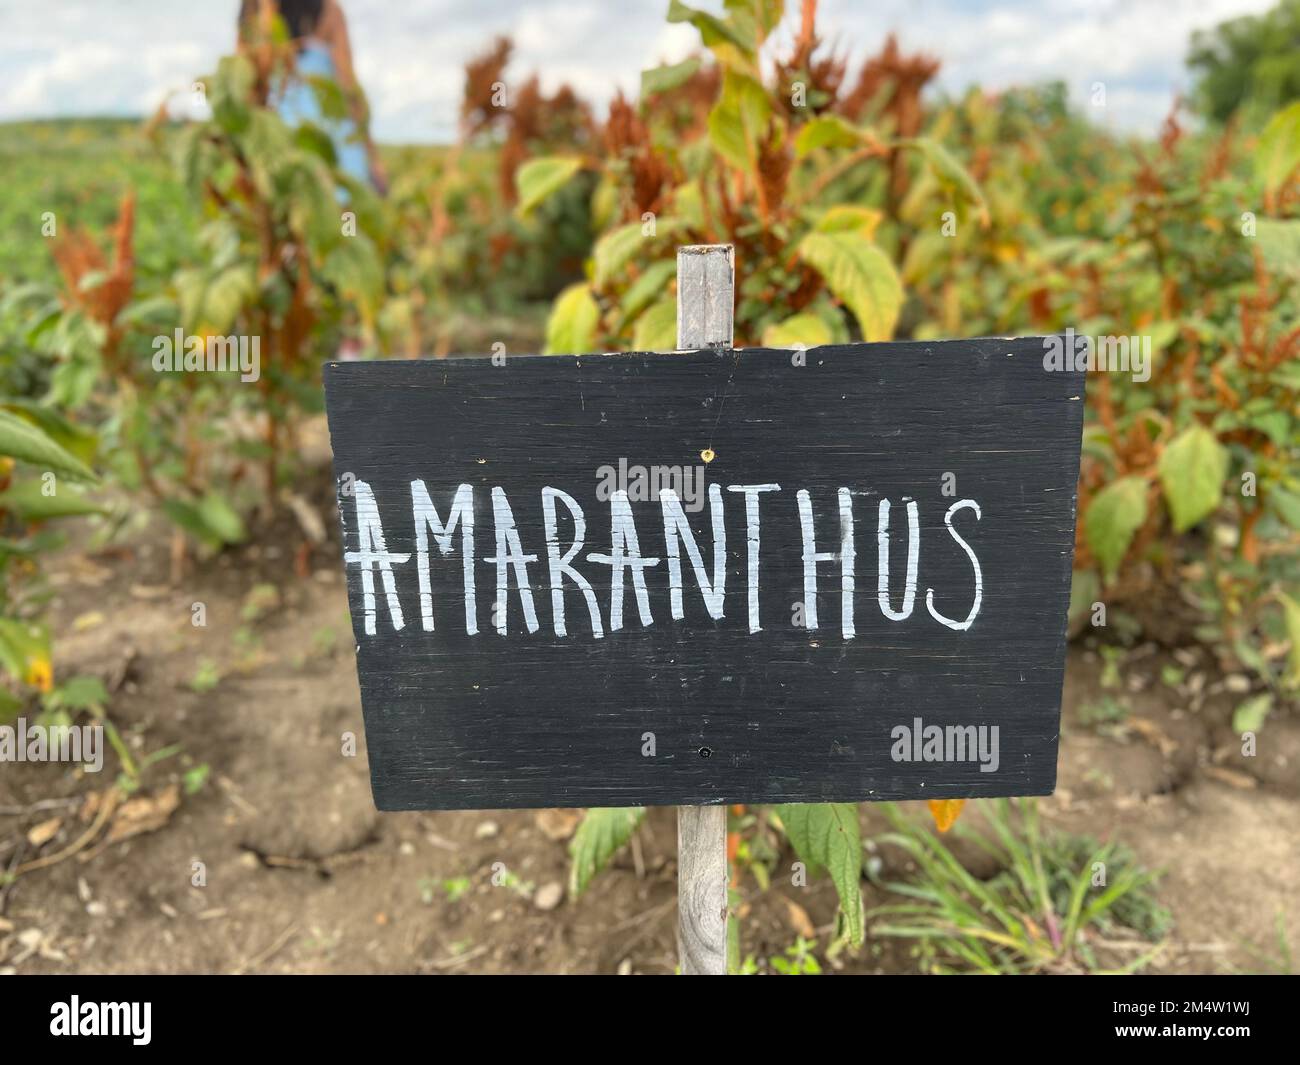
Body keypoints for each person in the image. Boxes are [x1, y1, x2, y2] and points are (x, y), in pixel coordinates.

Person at [238, 0, 386, 192]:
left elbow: (348, 86)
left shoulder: (327, 10)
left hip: (329, 146)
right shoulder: (252, 11)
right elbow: (245, 84)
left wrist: (372, 156)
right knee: (342, 215)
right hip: (290, 148)